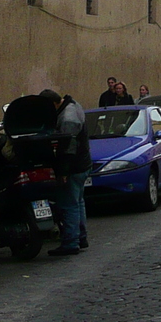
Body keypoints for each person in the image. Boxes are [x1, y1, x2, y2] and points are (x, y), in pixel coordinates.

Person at [42, 88, 90, 256]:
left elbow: (68, 148)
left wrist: (63, 172)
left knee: (68, 205)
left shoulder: (67, 118)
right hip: (82, 164)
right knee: (78, 202)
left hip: (74, 166)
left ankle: (71, 242)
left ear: (54, 104)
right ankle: (81, 237)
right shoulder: (73, 105)